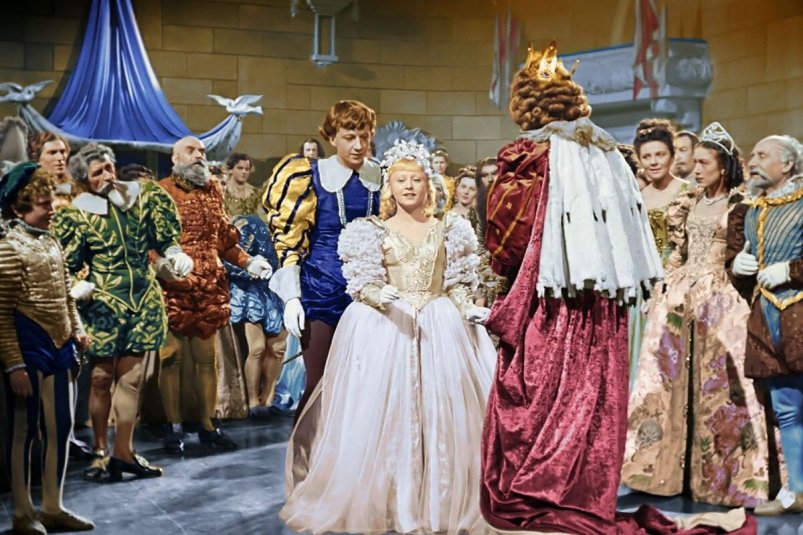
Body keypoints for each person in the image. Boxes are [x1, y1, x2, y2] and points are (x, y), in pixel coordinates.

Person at [480, 42, 668, 533]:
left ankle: (539, 489)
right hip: (604, 307)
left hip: (551, 301)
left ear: (526, 105)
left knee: (542, 396)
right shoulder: (610, 153)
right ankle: (585, 492)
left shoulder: (529, 156)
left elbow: (507, 237)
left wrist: (501, 276)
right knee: (593, 398)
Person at [281, 140, 495, 534]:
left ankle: (438, 497)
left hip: (439, 325)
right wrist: (379, 294)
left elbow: (457, 282)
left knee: (441, 412)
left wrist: (467, 308)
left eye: (416, 179)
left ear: (429, 184)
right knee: (388, 411)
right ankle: (392, 497)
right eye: (401, 180)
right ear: (389, 187)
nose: (409, 186)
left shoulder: (450, 228)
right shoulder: (370, 230)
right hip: (388, 326)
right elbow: (362, 281)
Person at [622, 122, 780, 506]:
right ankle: (664, 473)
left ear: (722, 166)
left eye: (703, 163)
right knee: (667, 382)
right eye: (694, 163)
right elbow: (678, 250)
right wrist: (664, 283)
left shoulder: (741, 204)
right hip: (681, 297)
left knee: (723, 386)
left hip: (722, 297)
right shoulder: (689, 201)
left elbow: (749, 252)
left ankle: (725, 477)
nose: (696, 170)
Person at [53, 144, 188, 482]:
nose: (107, 176)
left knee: (131, 380)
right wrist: (77, 284)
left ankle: (124, 452)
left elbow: (164, 238)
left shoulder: (144, 198)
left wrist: (175, 253)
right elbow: (68, 264)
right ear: (85, 179)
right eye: (98, 172)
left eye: (109, 167)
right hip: (103, 301)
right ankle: (100, 451)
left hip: (142, 298)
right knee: (101, 379)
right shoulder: (77, 214)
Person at [263, 100, 381, 421]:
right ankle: (305, 451)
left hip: (370, 294)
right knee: (319, 384)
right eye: (349, 137)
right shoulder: (309, 175)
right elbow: (289, 239)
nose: (358, 145)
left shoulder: (381, 176)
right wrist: (291, 297)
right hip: (320, 290)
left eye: (365, 136)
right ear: (331, 137)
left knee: (365, 387)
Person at [157, 136, 272, 453]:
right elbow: (149, 239)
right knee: (171, 359)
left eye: (202, 151)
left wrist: (248, 262)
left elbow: (224, 240)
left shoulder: (213, 190)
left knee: (207, 361)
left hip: (209, 284)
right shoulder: (161, 191)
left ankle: (208, 425)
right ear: (175, 157)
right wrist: (165, 264)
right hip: (174, 284)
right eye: (191, 150)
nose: (198, 155)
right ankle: (173, 426)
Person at [0, 162, 94, 534]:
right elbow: (1, 313)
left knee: (60, 426)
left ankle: (53, 506)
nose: (52, 209)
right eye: (43, 204)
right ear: (18, 207)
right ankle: (23, 512)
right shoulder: (7, 247)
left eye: (51, 202)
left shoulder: (51, 241)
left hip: (60, 342)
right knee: (23, 431)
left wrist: (78, 329)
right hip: (28, 342)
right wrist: (13, 364)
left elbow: (66, 293)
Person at [727, 134, 803, 515]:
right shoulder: (748, 210)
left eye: (762, 155)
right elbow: (738, 269)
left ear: (787, 164)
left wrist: (791, 270)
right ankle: (797, 493)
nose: (752, 161)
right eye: (752, 154)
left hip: (800, 314)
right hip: (768, 318)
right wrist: (736, 268)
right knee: (786, 408)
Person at [224, 214, 286, 419]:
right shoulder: (242, 223)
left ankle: (268, 399)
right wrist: (251, 271)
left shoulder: (284, 223)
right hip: (248, 290)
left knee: (278, 347)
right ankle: (252, 402)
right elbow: (227, 259)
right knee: (257, 347)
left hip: (273, 288)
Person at [28, 132, 79, 209]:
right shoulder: (30, 190)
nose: (60, 157)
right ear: (36, 157)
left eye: (62, 152)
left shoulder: (75, 188)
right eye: (52, 153)